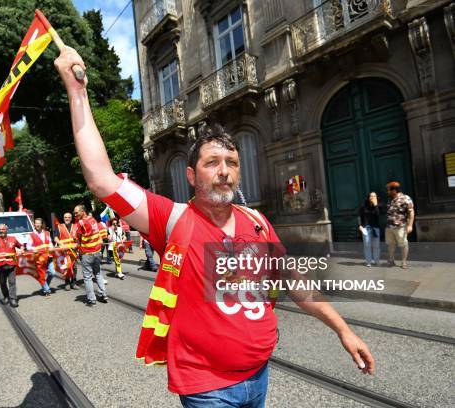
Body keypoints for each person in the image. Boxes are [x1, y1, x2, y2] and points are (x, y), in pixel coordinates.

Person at [55, 47, 375, 407]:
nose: (224, 170)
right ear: (192, 175)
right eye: (212, 162)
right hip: (207, 388)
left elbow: (294, 283)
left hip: (259, 376)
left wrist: (343, 329)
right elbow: (101, 179)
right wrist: (76, 92)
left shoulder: (257, 221)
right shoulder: (171, 218)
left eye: (232, 162)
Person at [72, 204, 108, 306]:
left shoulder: (80, 223)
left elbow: (77, 238)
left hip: (87, 253)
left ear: (83, 212)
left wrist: (76, 241)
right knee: (98, 274)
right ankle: (103, 294)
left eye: (76, 212)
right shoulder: (92, 219)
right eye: (74, 212)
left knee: (87, 277)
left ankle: (92, 299)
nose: (75, 214)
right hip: (97, 252)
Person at [385, 181, 415, 269]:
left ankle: (404, 262)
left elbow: (411, 212)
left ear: (394, 190)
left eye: (389, 190)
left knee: (403, 244)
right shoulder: (390, 198)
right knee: (390, 244)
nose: (388, 192)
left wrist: (410, 225)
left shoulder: (405, 198)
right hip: (389, 227)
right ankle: (391, 260)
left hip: (400, 226)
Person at [27, 218, 56, 297]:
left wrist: (51, 247)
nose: (37, 225)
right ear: (34, 225)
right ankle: (46, 290)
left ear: (42, 224)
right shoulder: (32, 235)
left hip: (48, 256)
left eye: (39, 223)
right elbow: (28, 246)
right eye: (36, 223)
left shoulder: (47, 233)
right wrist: (34, 249)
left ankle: (45, 285)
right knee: (42, 275)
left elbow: (50, 242)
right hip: (39, 258)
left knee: (52, 272)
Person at [54, 212, 78, 290]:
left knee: (74, 267)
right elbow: (55, 238)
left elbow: (79, 237)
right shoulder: (59, 227)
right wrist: (60, 243)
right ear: (63, 218)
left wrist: (77, 242)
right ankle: (67, 282)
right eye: (65, 217)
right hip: (64, 252)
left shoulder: (75, 226)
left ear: (71, 218)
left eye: (68, 217)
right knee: (67, 267)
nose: (67, 218)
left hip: (73, 251)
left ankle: (74, 283)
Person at [358, 192, 381, 267]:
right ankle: (369, 261)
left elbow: (378, 215)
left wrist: (375, 205)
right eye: (371, 196)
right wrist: (360, 225)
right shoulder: (363, 206)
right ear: (368, 197)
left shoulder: (377, 205)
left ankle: (376, 260)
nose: (373, 197)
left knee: (376, 245)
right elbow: (360, 216)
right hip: (366, 228)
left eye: (375, 196)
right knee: (367, 245)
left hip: (375, 228)